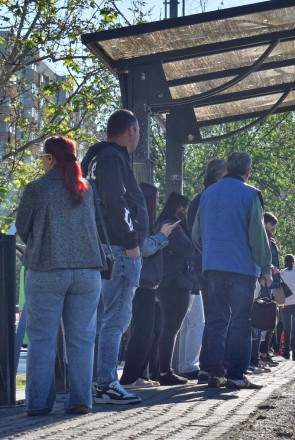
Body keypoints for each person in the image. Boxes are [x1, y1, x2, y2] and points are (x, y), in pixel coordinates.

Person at [16, 136, 105, 416]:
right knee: (81, 339)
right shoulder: (86, 189)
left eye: (43, 157)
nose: (41, 161)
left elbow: (22, 228)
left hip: (47, 270)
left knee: (42, 340)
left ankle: (39, 403)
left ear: (51, 159)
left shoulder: (37, 189)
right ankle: (80, 400)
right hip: (87, 272)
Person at [81, 109, 148, 404]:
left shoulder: (97, 158)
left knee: (106, 319)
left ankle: (98, 381)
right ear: (131, 130)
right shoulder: (112, 158)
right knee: (115, 319)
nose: (139, 137)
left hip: (105, 248)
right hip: (120, 250)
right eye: (139, 131)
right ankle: (106, 382)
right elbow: (115, 201)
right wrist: (131, 240)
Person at [192, 152, 272, 389]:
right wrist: (265, 267)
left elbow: (196, 234)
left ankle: (212, 371)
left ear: (226, 169)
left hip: (213, 267)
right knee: (240, 322)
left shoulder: (207, 194)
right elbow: (257, 235)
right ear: (248, 172)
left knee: (216, 320)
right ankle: (236, 375)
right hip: (242, 268)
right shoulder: (250, 194)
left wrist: (210, 255)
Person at [120, 183, 176, 389]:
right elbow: (144, 248)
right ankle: (130, 377)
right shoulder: (138, 219)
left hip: (149, 283)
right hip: (142, 282)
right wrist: (162, 236)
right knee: (143, 330)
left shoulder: (143, 219)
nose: (159, 203)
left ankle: (139, 375)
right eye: (157, 199)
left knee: (150, 330)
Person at [182, 159, 226, 383]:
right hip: (212, 263)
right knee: (218, 316)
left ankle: (207, 365)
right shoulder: (214, 198)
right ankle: (211, 365)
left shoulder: (199, 199)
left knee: (212, 315)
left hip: (201, 262)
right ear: (220, 174)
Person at [150, 192, 197, 384]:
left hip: (165, 280)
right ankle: (165, 372)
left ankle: (158, 370)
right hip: (176, 282)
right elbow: (189, 249)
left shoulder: (161, 223)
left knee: (165, 327)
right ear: (180, 208)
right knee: (171, 328)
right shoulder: (174, 226)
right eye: (186, 209)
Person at [254, 212, 280, 370]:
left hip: (268, 283)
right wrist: (270, 270)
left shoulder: (269, 238)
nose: (274, 229)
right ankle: (259, 355)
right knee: (262, 320)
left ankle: (262, 354)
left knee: (267, 320)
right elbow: (262, 258)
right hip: (262, 282)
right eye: (272, 225)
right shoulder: (261, 237)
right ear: (264, 223)